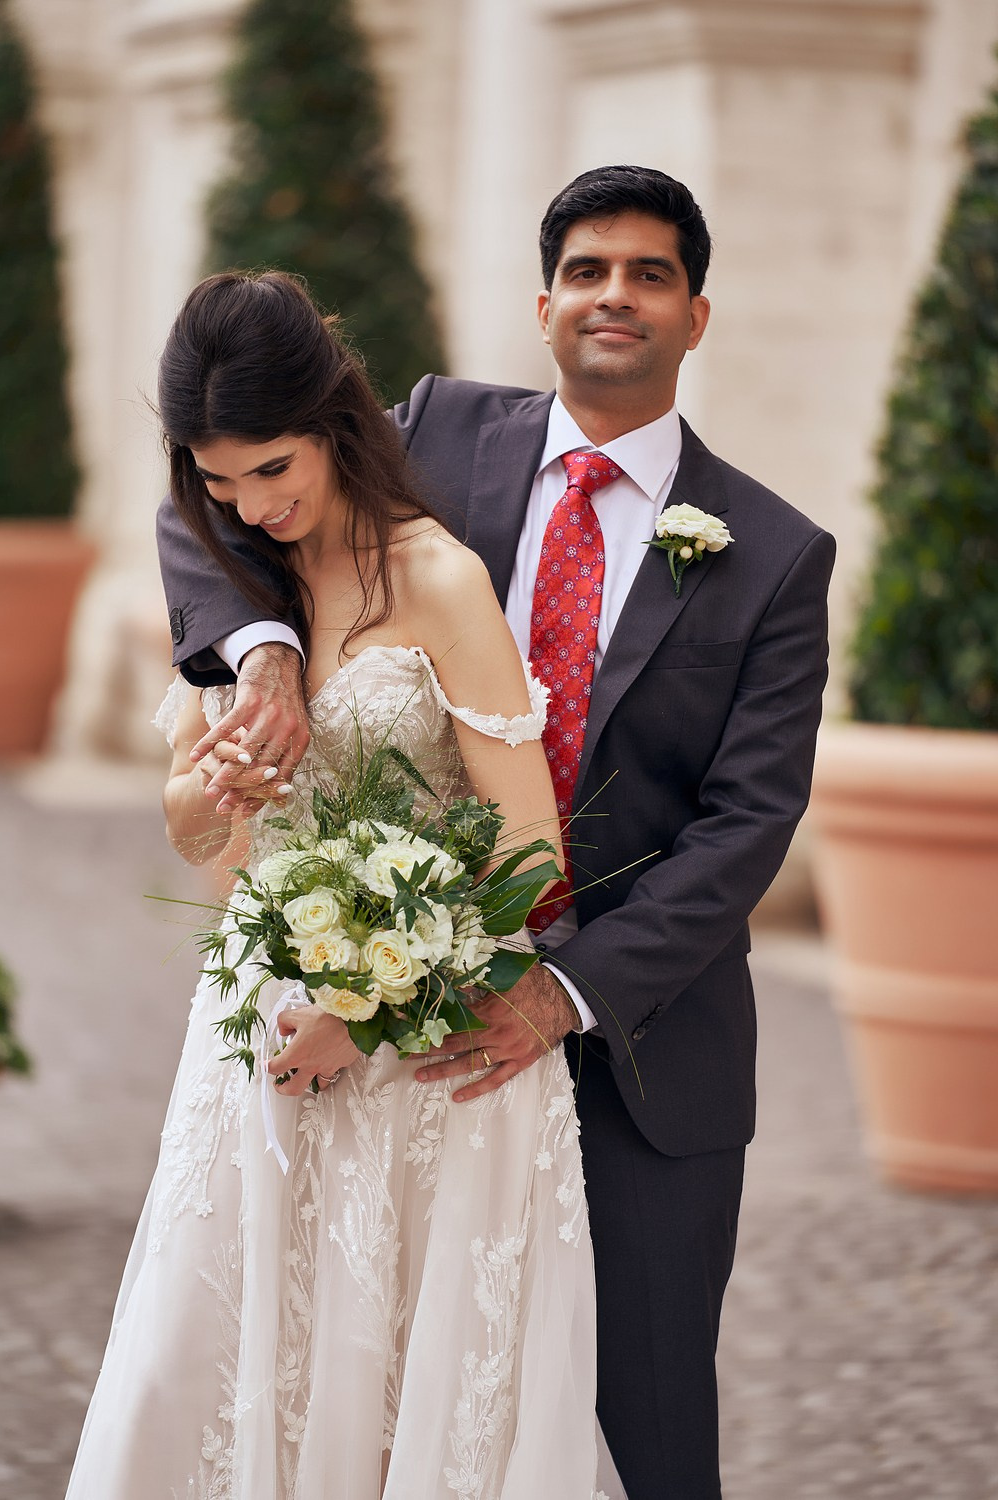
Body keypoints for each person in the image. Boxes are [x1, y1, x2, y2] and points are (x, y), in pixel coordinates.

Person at [156, 165, 837, 1499]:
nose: (613, 296)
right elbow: (213, 501)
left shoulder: (773, 553)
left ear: (697, 315)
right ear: (543, 304)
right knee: (366, 1398)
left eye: (648, 274)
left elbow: (748, 827)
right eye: (585, 270)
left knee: (639, 1434)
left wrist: (555, 990)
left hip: (637, 1044)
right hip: (394, 1054)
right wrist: (267, 651)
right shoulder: (433, 431)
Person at [66, 271, 616, 1500]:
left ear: (332, 420)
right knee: (203, 1368)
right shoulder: (233, 586)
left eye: (273, 469)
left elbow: (530, 853)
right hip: (254, 1038)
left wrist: (368, 1012)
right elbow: (190, 834)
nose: (254, 507)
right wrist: (220, 788)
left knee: (398, 1398)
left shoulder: (437, 579)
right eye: (220, 483)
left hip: (424, 1062)